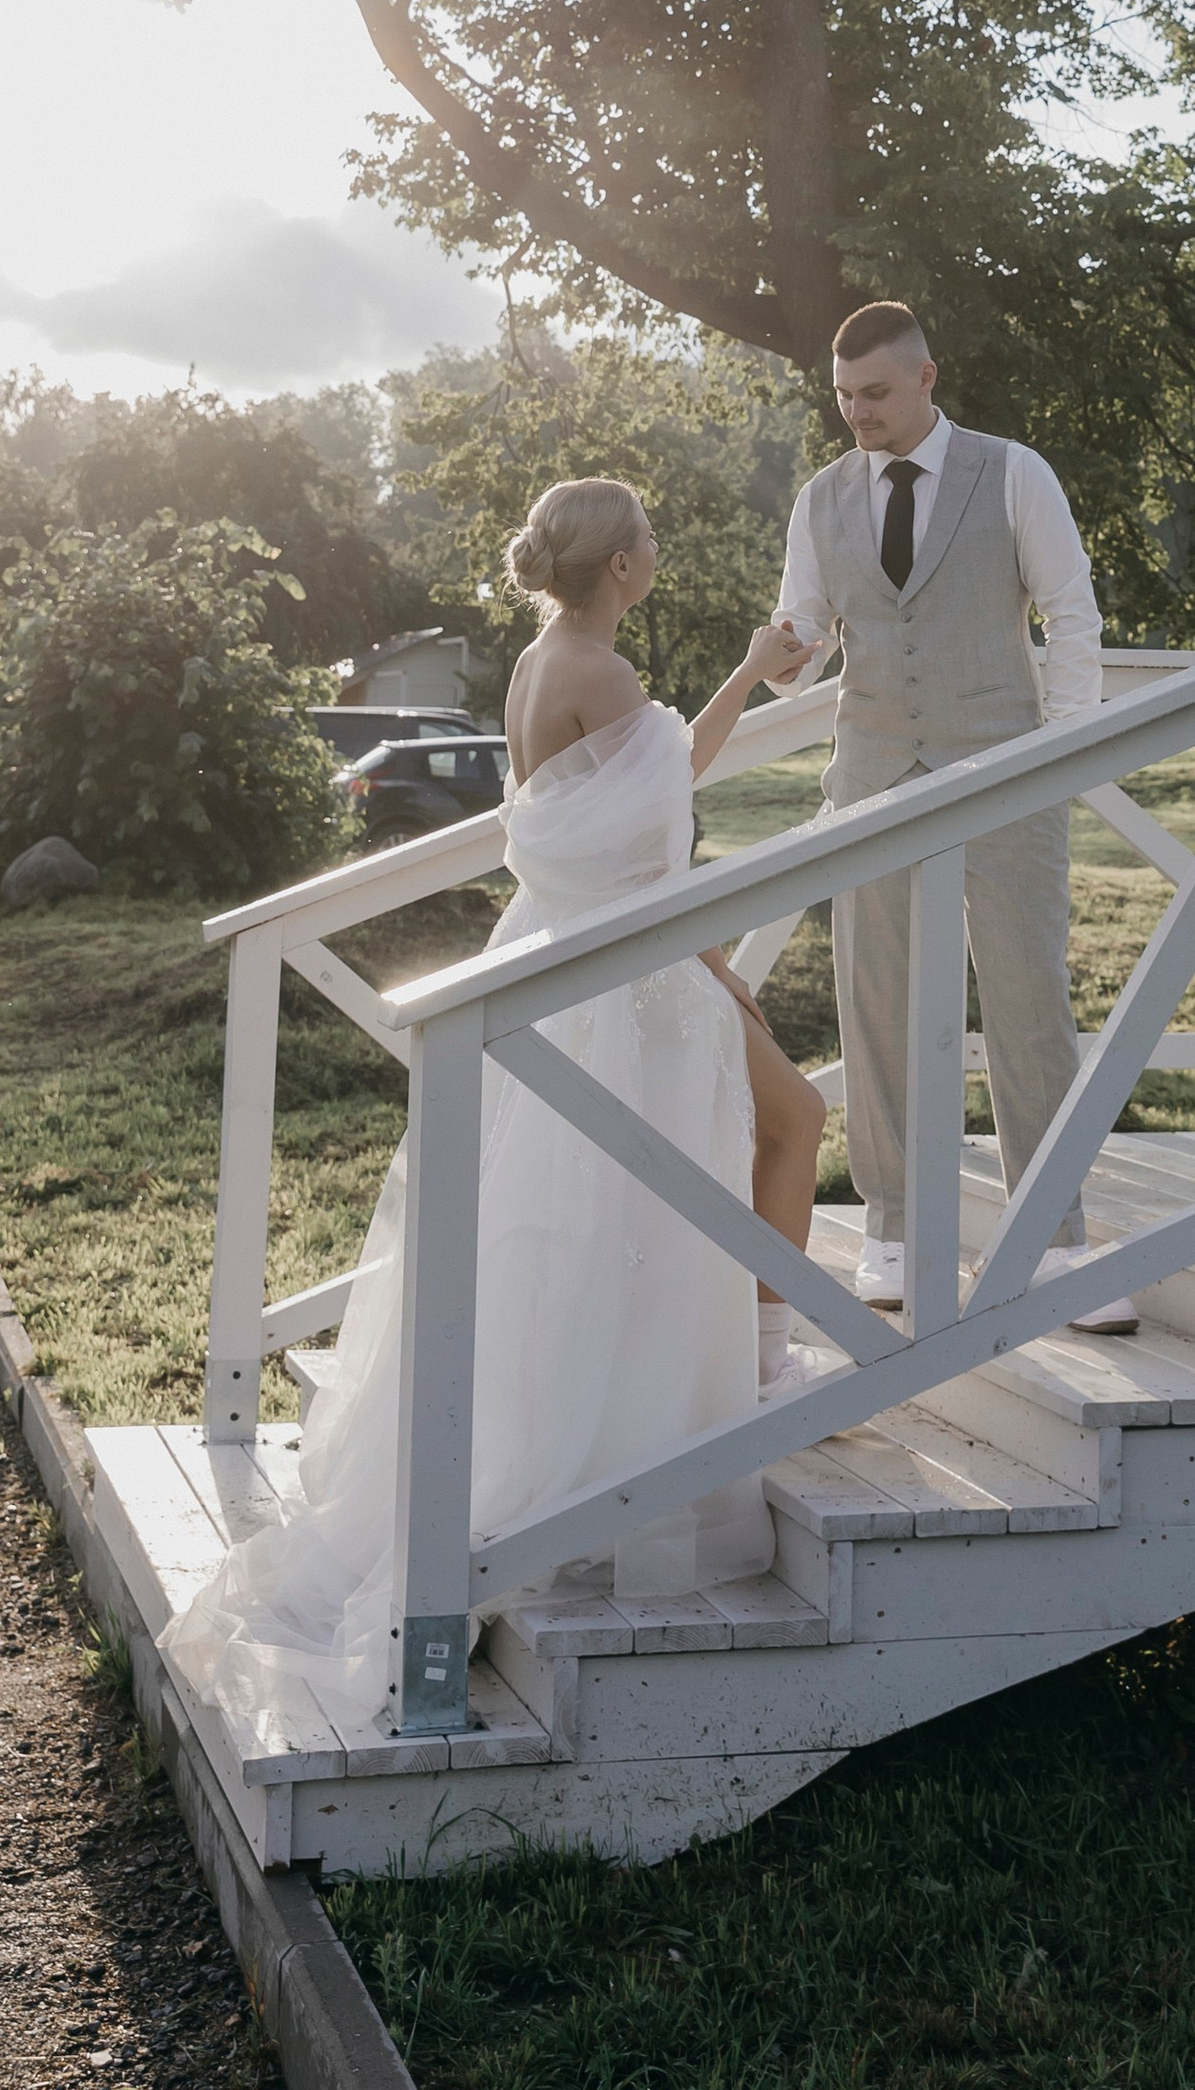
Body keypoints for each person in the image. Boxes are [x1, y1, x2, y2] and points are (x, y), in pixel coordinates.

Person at [162, 477, 823, 1744]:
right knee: (757, 1134)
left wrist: (746, 673)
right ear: (620, 566)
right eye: (649, 539)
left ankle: (725, 1358)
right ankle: (759, 1359)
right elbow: (659, 830)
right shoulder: (601, 674)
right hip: (619, 971)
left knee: (596, 1202)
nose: (655, 551)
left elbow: (631, 801)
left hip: (561, 950)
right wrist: (711, 960)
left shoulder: (540, 660)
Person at [767, 301, 1137, 1335]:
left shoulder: (1014, 473)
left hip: (1007, 772)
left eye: (876, 393)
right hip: (871, 778)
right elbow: (802, 642)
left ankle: (1056, 1239)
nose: (858, 414)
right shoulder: (820, 499)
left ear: (927, 378)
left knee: (1029, 1002)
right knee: (874, 1003)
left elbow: (1070, 613)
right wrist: (785, 653)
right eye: (843, 397)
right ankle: (890, 1231)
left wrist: (1061, 749)